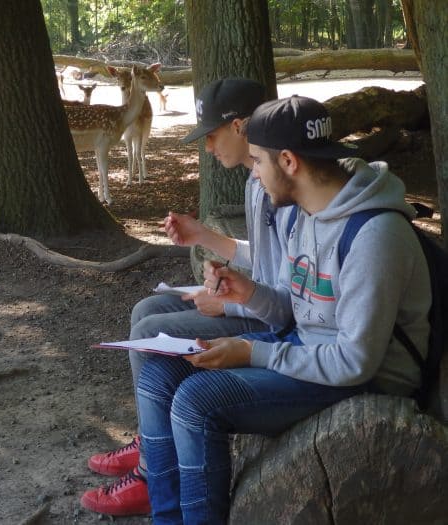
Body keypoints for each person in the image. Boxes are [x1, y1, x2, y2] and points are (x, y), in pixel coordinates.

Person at [135, 95, 432, 524]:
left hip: (371, 377)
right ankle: (167, 517)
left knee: (198, 401)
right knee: (162, 366)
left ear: (289, 161)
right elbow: (292, 312)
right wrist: (247, 293)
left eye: (257, 161)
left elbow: (355, 363)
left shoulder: (375, 234)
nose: (253, 173)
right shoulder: (300, 214)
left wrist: (251, 351)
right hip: (309, 349)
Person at [81, 78, 286, 517]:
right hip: (260, 301)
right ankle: (150, 444)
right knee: (146, 310)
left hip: (270, 319)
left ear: (239, 125)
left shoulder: (279, 180)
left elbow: (291, 287)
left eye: (211, 136)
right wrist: (205, 238)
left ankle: (154, 476)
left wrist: (228, 302)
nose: (208, 148)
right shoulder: (257, 178)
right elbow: (270, 260)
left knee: (154, 329)